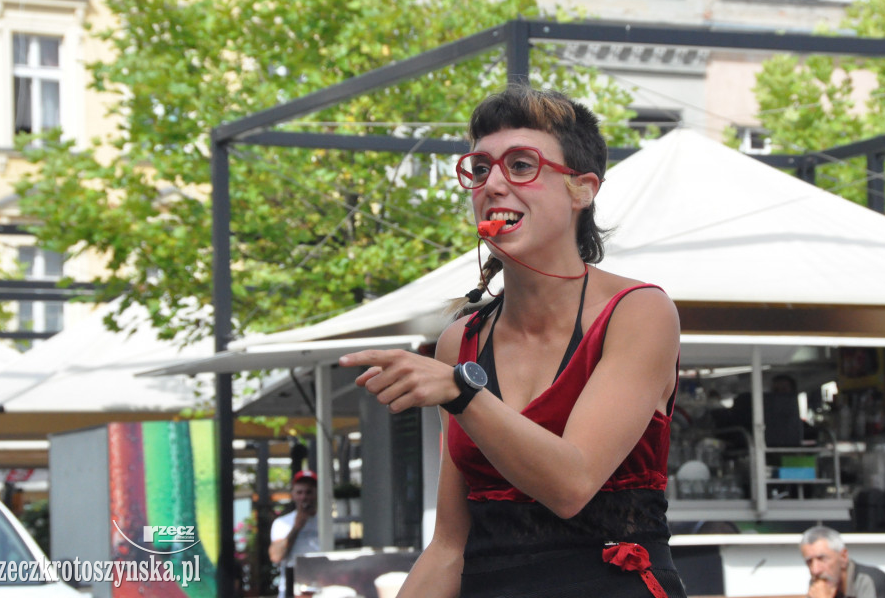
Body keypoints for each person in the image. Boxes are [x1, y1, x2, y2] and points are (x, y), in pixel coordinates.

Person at [341, 85, 684, 598]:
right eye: (480, 169)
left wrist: (462, 393)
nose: (493, 183)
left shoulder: (639, 312)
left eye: (521, 165)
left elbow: (572, 484)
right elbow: (450, 547)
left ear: (582, 189)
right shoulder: (462, 340)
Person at [800, 526, 885, 598]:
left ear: (843, 557)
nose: (815, 570)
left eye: (822, 559)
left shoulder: (866, 580)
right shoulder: (820, 583)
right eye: (809, 562)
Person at [269, 469, 322, 598]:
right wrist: (296, 528)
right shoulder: (282, 523)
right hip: (293, 589)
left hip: (321, 588)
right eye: (300, 492)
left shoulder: (326, 521)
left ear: (316, 494)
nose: (304, 497)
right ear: (293, 495)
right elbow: (276, 556)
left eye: (309, 492)